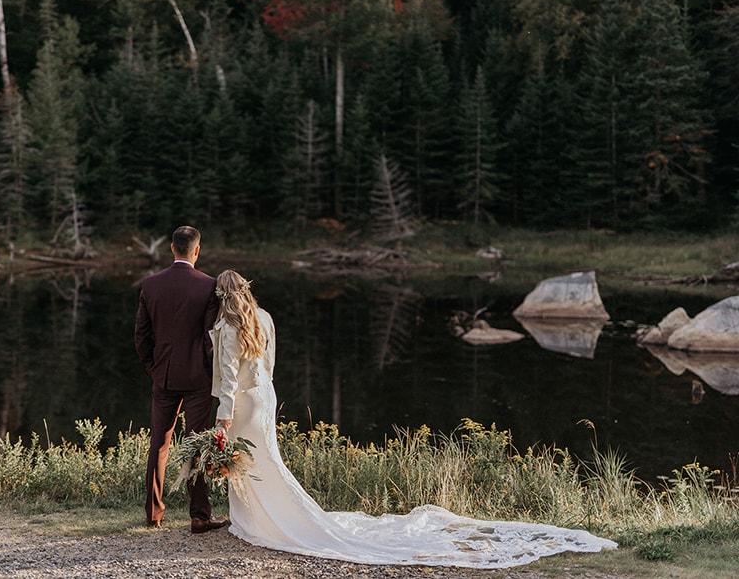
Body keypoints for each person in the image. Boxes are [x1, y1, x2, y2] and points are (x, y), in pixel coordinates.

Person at [210, 269, 617, 568]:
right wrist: (266, 391)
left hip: (244, 401)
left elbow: (228, 378)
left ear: (222, 295)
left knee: (249, 463)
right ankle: (260, 518)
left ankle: (254, 521)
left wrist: (222, 419)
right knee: (267, 462)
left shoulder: (228, 326)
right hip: (265, 394)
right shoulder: (263, 319)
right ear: (246, 290)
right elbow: (273, 364)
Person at [134, 225, 229, 534]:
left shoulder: (150, 284)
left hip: (162, 375)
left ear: (172, 249)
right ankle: (199, 516)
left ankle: (153, 513)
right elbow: (209, 337)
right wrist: (203, 368)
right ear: (197, 251)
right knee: (195, 445)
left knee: (158, 444)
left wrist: (152, 367)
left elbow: (141, 335)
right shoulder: (209, 286)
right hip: (198, 378)